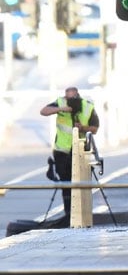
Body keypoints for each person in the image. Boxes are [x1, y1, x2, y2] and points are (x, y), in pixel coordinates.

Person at [40, 87, 100, 226]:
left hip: (80, 151)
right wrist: (61, 109)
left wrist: (83, 128)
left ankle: (82, 216)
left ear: (78, 96)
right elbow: (44, 111)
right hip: (62, 151)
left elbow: (95, 128)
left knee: (81, 184)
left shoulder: (87, 106)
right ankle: (68, 215)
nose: (71, 101)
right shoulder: (60, 103)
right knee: (66, 184)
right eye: (68, 98)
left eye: (73, 98)